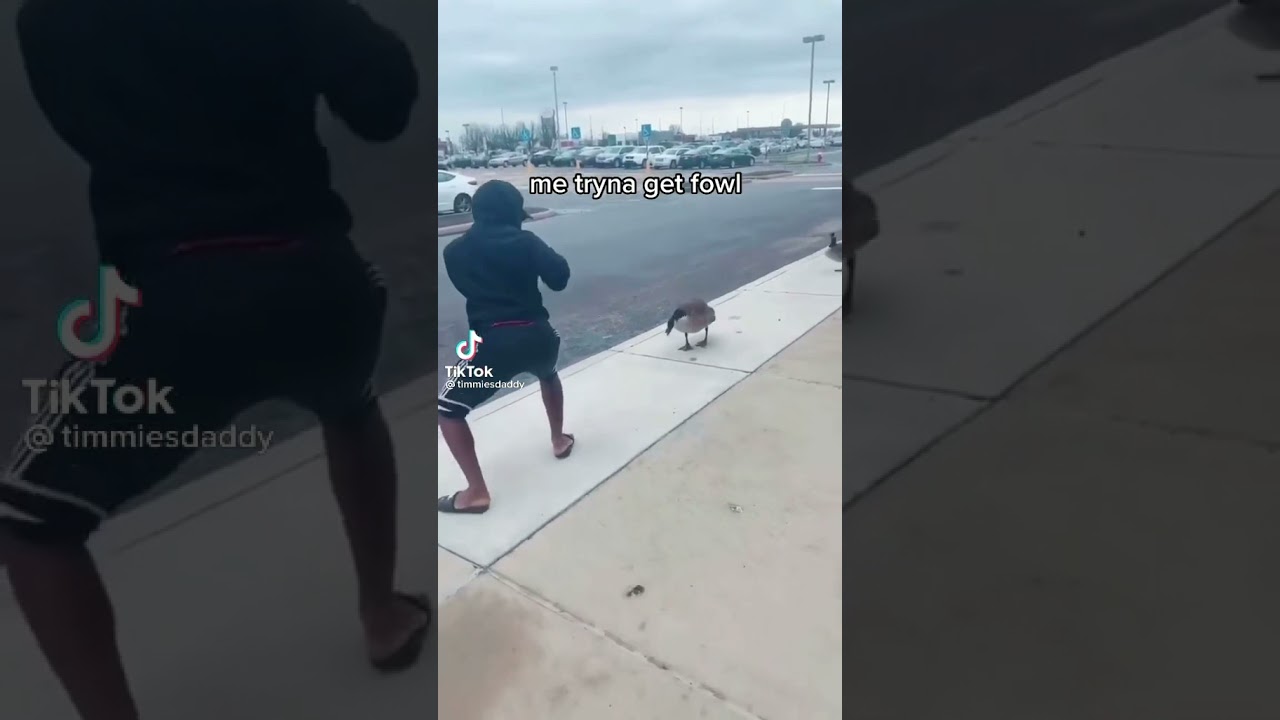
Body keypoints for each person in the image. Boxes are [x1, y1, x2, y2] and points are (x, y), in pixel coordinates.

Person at [1, 1, 427, 718]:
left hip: (175, 303)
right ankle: (383, 618)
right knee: (350, 405)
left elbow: (94, 131)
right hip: (319, 280)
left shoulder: (48, 17)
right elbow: (385, 103)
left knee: (29, 520)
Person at [438, 180, 574, 514]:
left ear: (475, 211)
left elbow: (470, 287)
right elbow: (560, 278)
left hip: (495, 341)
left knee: (448, 410)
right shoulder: (526, 241)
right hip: (541, 335)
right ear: (515, 213)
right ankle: (558, 441)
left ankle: (476, 492)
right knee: (548, 373)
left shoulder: (453, 251)